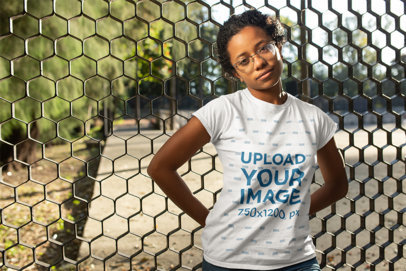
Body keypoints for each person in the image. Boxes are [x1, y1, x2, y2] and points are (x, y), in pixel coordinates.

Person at [147, 10, 348, 271]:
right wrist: (208, 220)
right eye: (244, 60)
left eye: (263, 48)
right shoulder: (223, 111)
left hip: (297, 260)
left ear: (278, 46)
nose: (258, 62)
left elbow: (337, 185)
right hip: (229, 261)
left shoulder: (313, 118)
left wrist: (293, 211)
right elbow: (160, 168)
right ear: (236, 73)